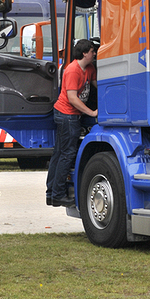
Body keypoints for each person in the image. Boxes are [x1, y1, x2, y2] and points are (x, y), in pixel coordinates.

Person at [46, 39, 97, 207]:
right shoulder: (73, 70)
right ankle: (58, 194)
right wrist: (91, 113)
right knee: (67, 154)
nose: (94, 53)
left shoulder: (89, 69)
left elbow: (98, 85)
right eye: (91, 51)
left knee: (59, 153)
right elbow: (73, 98)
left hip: (69, 115)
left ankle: (51, 193)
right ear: (84, 53)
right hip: (67, 115)